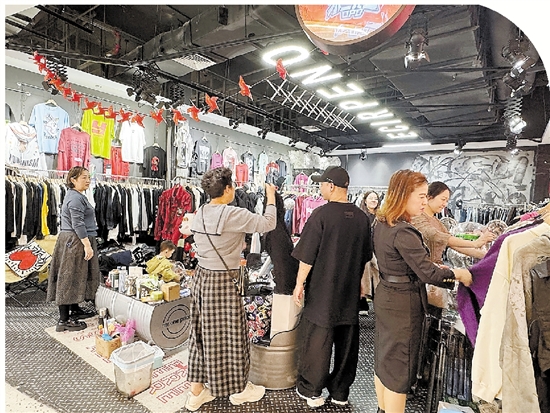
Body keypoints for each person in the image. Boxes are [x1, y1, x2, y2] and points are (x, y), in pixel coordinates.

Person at [372, 170, 473, 413]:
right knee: (400, 367)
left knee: (385, 360)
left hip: (386, 296)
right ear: (403, 195)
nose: (424, 202)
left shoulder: (381, 223)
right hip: (403, 304)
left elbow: (411, 264)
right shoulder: (403, 231)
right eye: (420, 196)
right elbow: (428, 274)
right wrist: (459, 274)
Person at [185, 167, 277, 411]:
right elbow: (268, 223)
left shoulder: (200, 211)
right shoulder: (233, 214)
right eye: (232, 185)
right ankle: (239, 389)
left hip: (201, 278)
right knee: (233, 335)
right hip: (225, 281)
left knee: (200, 333)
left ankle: (196, 392)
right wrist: (270, 197)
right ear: (227, 189)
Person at [292, 166, 373, 408]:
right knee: (347, 342)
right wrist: (361, 284)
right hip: (350, 291)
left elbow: (307, 256)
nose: (319, 188)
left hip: (322, 291)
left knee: (318, 341)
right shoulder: (362, 218)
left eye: (321, 184)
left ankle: (312, 390)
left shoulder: (321, 215)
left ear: (330, 185)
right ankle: (340, 392)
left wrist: (299, 283)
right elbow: (365, 258)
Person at [47, 166, 99, 332]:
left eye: (88, 177)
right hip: (75, 241)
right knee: (68, 277)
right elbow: (78, 223)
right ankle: (63, 320)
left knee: (76, 274)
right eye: (84, 177)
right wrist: (87, 245)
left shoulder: (77, 196)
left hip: (75, 240)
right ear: (73, 180)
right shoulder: (75, 198)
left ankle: (74, 309)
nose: (88, 180)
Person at [411, 181, 496, 264]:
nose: (445, 204)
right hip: (423, 269)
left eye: (446, 201)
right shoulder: (417, 218)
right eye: (443, 199)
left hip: (436, 267)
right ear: (429, 197)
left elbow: (455, 245)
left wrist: (489, 256)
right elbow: (435, 235)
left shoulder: (437, 222)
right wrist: (475, 243)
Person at [359, 190, 380, 314]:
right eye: (371, 198)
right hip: (364, 249)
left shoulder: (381, 216)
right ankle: (363, 305)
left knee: (378, 276)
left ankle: (378, 305)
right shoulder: (361, 216)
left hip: (378, 250)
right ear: (365, 201)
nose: (373, 200)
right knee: (364, 277)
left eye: (376, 198)